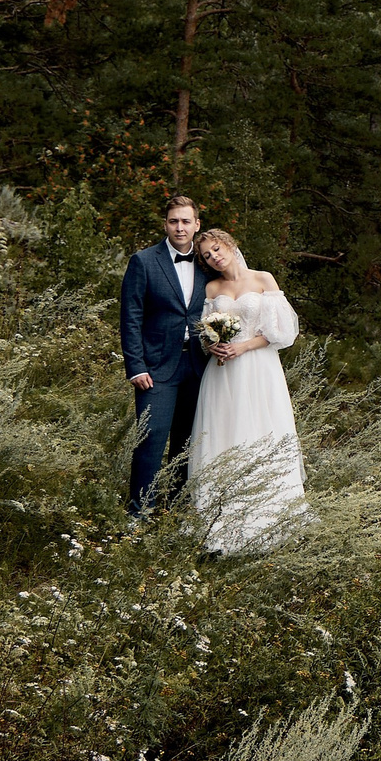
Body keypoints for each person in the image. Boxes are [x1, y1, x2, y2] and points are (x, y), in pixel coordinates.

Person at [186, 227, 309, 551]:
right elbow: (203, 331)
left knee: (260, 431)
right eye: (207, 255)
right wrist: (213, 345)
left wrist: (243, 347)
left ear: (229, 244)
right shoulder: (212, 287)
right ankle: (219, 523)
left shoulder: (263, 279)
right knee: (223, 434)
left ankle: (269, 521)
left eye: (216, 249)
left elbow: (280, 332)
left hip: (258, 368)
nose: (214, 257)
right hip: (223, 373)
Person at [119, 195, 215, 515]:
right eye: (173, 221)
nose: (179, 227)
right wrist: (135, 366)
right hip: (156, 368)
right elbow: (130, 317)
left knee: (186, 444)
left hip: (200, 366)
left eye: (186, 221)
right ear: (165, 224)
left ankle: (175, 509)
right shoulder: (144, 261)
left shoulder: (207, 264)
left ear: (196, 225)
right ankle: (140, 514)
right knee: (150, 440)